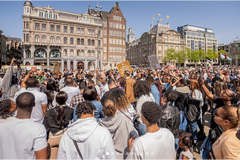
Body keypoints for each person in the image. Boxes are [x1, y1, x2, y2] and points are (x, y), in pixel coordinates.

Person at [0, 92, 48, 160]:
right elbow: (42, 158)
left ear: (16, 105)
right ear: (34, 104)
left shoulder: (2, 126)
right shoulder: (38, 128)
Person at [43, 91, 73, 160]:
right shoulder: (71, 111)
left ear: (56, 100)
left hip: (52, 138)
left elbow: (45, 126)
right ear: (66, 99)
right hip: (65, 138)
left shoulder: (50, 111)